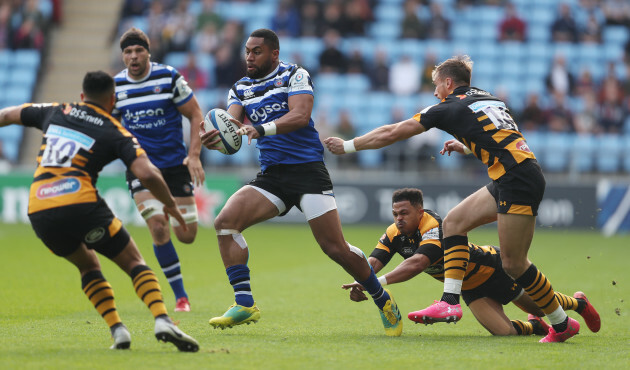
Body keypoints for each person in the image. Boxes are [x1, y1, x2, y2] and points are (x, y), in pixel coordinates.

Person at [324, 55, 580, 343]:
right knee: (454, 222)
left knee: (514, 263)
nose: (434, 92)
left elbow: (394, 131)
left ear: (448, 82)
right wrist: (467, 146)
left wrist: (347, 145)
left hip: (516, 179)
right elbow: (500, 135)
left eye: (436, 85)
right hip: (511, 174)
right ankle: (449, 300)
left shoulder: (449, 107)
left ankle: (561, 323)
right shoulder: (489, 98)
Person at [199, 28, 402, 336]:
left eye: (256, 51)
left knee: (334, 248)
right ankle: (244, 303)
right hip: (273, 176)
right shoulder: (240, 88)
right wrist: (215, 137)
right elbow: (233, 127)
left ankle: (382, 298)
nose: (249, 57)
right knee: (225, 223)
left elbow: (300, 115)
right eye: (247, 51)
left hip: (308, 172)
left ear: (274, 54)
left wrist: (260, 129)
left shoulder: (295, 75)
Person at [0, 71, 199, 351]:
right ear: (112, 100)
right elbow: (149, 174)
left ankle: (118, 329)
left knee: (88, 266)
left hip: (39, 208)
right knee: (133, 262)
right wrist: (169, 203)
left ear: (82, 96)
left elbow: (7, 114)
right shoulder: (114, 129)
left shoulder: (56, 110)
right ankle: (162, 319)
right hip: (80, 202)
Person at [342, 188, 601, 336]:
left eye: (404, 213)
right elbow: (373, 261)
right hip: (468, 287)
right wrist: (362, 280)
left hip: (493, 269)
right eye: (395, 214)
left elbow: (418, 262)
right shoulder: (393, 233)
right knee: (504, 333)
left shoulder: (433, 224)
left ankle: (579, 303)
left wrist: (375, 283)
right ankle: (535, 326)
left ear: (419, 211)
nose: (398, 219)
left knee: (542, 304)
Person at [113, 28, 205, 313]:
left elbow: (195, 114)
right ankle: (181, 297)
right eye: (128, 52)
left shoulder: (168, 77)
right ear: (123, 56)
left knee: (187, 234)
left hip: (175, 166)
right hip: (141, 168)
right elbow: (110, 127)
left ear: (148, 52)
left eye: (138, 50)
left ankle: (167, 210)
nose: (133, 56)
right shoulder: (115, 87)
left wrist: (194, 156)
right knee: (158, 227)